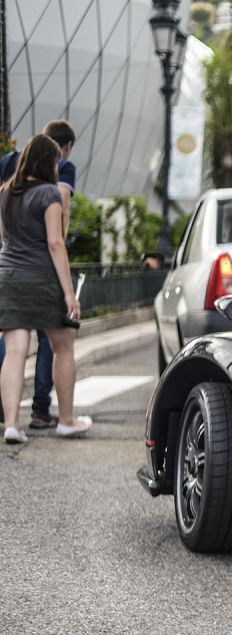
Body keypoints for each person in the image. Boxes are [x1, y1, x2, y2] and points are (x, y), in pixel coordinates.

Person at [0, 134, 91, 443]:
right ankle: (66, 420)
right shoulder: (49, 193)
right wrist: (69, 293)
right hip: (41, 277)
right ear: (47, 162)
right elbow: (55, 243)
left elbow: (6, 238)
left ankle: (12, 424)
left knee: (15, 351)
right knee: (63, 345)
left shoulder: (6, 193)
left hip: (9, 276)